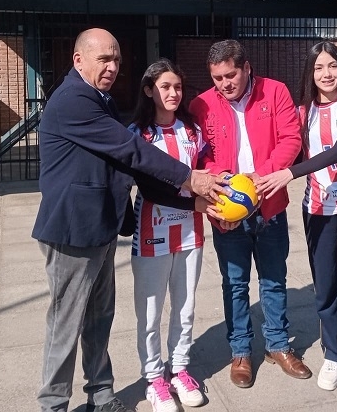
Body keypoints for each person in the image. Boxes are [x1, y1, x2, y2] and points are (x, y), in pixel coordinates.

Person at [32, 29, 225, 412]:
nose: (112, 67)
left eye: (116, 59)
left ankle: (101, 395)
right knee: (66, 323)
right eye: (104, 59)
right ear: (78, 60)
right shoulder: (74, 100)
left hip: (99, 226)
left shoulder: (97, 98)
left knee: (99, 318)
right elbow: (130, 149)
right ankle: (53, 404)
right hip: (72, 229)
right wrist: (191, 179)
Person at [255, 41, 337, 392]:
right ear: (310, 74)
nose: (327, 74)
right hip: (317, 209)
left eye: (332, 66)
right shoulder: (300, 112)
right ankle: (333, 354)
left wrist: (288, 174)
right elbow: (279, 144)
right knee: (324, 287)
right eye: (318, 68)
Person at [189, 39, 312, 389]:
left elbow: (291, 138)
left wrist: (264, 175)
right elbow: (200, 154)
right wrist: (217, 176)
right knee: (235, 282)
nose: (225, 84)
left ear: (246, 68)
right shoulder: (202, 104)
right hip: (227, 208)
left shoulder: (275, 92)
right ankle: (240, 351)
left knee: (273, 279)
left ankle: (277, 345)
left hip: (269, 204)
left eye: (231, 75)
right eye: (217, 78)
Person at [128, 60, 208, 412]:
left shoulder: (192, 130)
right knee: (150, 311)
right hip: (152, 232)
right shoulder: (138, 134)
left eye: (177, 87)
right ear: (149, 90)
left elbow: (207, 171)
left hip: (191, 232)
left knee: (186, 307)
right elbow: (148, 186)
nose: (174, 93)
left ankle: (179, 370)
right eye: (165, 87)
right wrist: (200, 204)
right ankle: (153, 379)